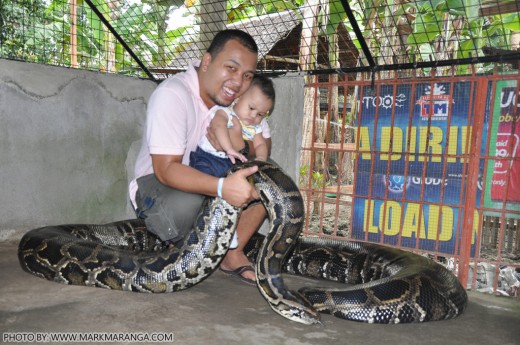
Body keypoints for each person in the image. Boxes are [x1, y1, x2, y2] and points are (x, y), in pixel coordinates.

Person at [129, 29, 265, 285]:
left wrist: (242, 146)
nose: (238, 82)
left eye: (247, 75)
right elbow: (166, 170)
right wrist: (224, 188)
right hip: (157, 186)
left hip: (205, 181)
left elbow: (257, 149)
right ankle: (182, 245)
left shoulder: (230, 104)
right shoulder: (173, 94)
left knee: (268, 184)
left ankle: (231, 254)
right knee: (187, 205)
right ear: (206, 62)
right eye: (231, 68)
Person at [189, 74, 275, 177]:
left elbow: (260, 145)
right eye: (251, 108)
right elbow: (219, 126)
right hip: (208, 158)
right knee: (203, 180)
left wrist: (261, 159)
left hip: (232, 163)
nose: (253, 116)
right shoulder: (225, 112)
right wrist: (229, 148)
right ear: (238, 98)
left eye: (260, 114)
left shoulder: (256, 127)